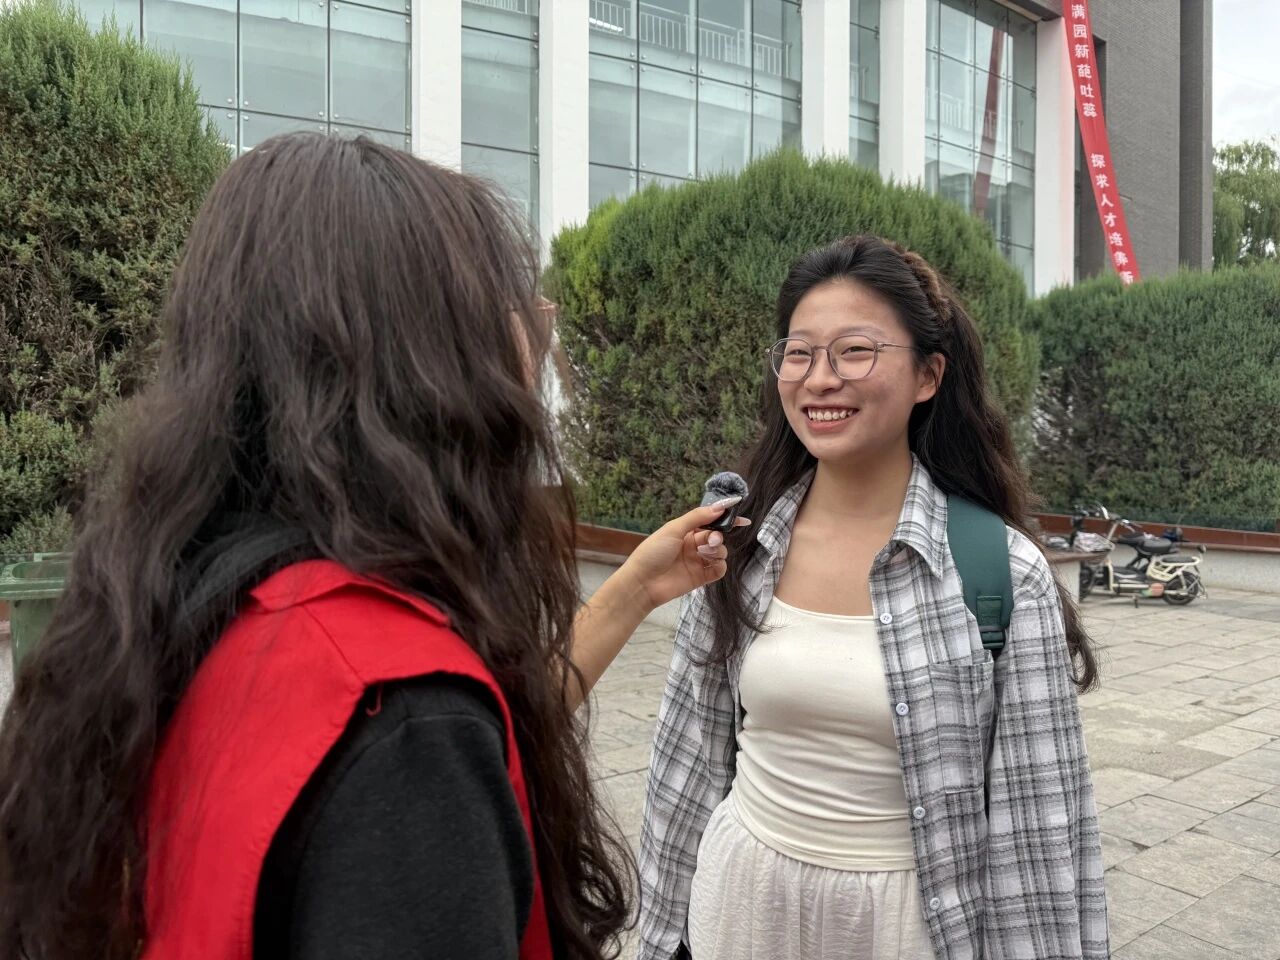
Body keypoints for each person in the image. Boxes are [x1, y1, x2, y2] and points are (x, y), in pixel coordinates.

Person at [0, 133, 745, 960]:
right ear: (426, 368)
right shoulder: (406, 725)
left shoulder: (193, 605)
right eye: (515, 321)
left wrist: (635, 587)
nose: (534, 362)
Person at [637, 235, 1107, 960]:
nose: (820, 379)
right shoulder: (737, 547)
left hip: (903, 926)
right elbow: (685, 764)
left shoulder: (1001, 572)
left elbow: (1037, 827)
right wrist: (659, 938)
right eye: (799, 353)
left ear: (928, 375)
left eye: (855, 351)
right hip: (740, 906)